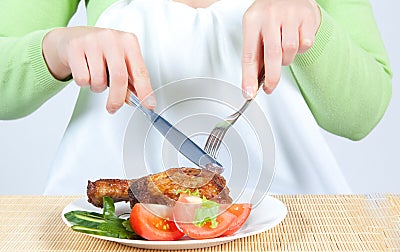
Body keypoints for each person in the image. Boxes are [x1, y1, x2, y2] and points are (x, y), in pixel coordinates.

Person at [0, 0, 392, 195]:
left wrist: (313, 24)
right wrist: (55, 49)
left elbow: (363, 113)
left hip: (289, 238)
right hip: (108, 241)